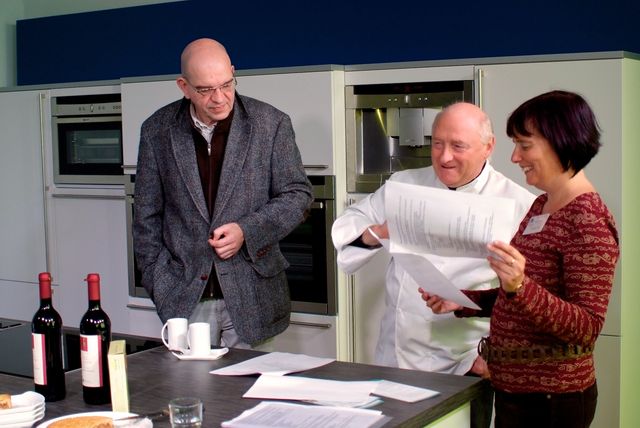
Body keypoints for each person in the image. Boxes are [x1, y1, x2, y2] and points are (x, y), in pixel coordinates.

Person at [420, 91, 620, 428]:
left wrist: (520, 286)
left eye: (525, 145)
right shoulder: (542, 205)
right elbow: (517, 297)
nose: (514, 157)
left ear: (561, 142)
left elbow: (586, 329)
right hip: (518, 392)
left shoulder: (587, 219)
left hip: (552, 399)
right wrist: (463, 301)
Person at [332, 102, 535, 427]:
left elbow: (528, 298)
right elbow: (347, 226)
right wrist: (378, 232)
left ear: (489, 147)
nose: (444, 157)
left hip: (464, 364)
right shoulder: (404, 184)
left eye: (458, 146)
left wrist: (492, 356)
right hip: (396, 357)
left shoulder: (519, 204)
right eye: (437, 143)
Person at [133, 38, 313, 349]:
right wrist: (158, 282)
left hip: (253, 298)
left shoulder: (271, 124)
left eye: (226, 85)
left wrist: (246, 231)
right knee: (190, 382)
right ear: (184, 86)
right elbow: (146, 216)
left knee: (251, 382)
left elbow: (298, 196)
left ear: (233, 72)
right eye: (205, 90)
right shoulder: (156, 131)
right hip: (184, 298)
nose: (219, 98)